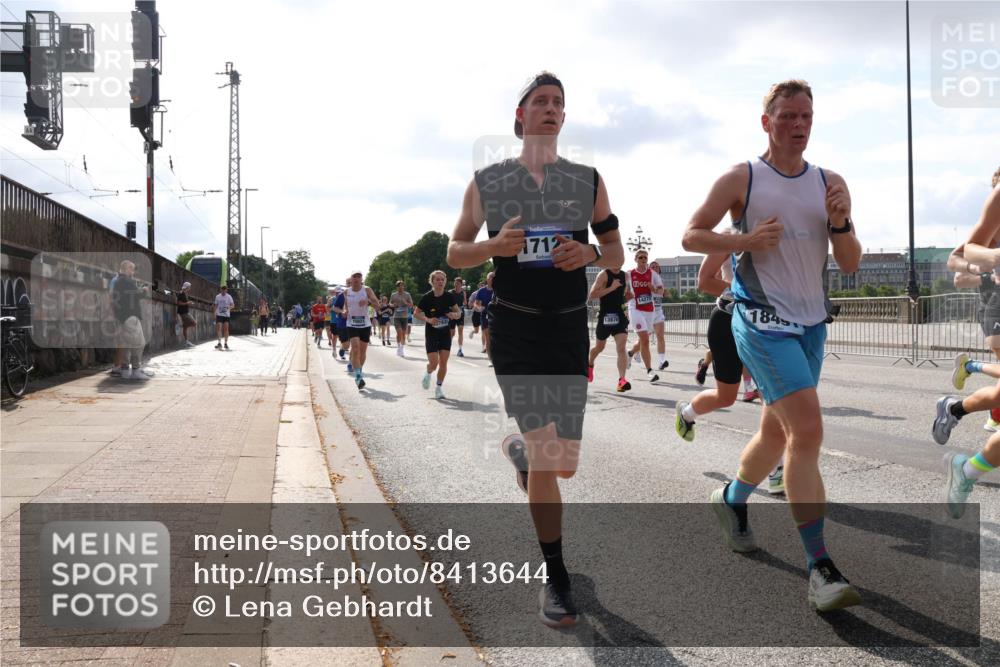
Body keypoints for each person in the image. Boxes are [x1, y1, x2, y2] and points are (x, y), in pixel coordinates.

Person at [447, 71, 624, 627]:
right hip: (517, 333)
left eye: (558, 103)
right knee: (550, 458)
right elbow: (455, 251)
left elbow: (616, 251)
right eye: (539, 102)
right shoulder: (488, 182)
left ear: (564, 118)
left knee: (561, 465)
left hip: (568, 329)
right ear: (520, 117)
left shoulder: (588, 180)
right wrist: (493, 247)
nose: (550, 109)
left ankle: (525, 457)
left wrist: (590, 256)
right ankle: (556, 576)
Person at [682, 79, 863, 611]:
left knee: (775, 432)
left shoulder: (829, 181)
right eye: (787, 116)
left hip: (810, 324)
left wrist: (842, 222)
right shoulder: (743, 178)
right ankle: (821, 569)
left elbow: (850, 262)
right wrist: (742, 241)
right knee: (807, 432)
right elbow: (691, 235)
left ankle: (731, 499)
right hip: (760, 320)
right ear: (767, 122)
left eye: (806, 116)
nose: (799, 125)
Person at [674, 240, 772, 490]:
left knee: (769, 393)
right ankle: (687, 413)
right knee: (726, 397)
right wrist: (745, 292)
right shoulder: (731, 236)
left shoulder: (781, 231)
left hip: (763, 324)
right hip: (727, 319)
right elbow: (705, 281)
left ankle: (777, 468)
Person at [932, 167, 1000, 517]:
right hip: (996, 306)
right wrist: (992, 264)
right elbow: (958, 260)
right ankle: (967, 468)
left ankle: (966, 462)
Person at [416, 270, 462, 399]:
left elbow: (458, 313)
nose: (440, 282)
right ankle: (428, 371)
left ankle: (439, 388)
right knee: (434, 363)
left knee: (443, 362)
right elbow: (416, 313)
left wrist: (454, 315)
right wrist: (428, 320)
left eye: (442, 279)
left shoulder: (449, 296)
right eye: (438, 279)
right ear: (432, 282)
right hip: (431, 333)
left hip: (445, 333)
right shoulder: (427, 297)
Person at [587, 266, 632, 391]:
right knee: (599, 347)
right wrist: (611, 287)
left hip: (619, 316)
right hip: (605, 316)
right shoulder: (604, 274)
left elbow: (626, 295)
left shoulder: (625, 276)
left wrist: (629, 296)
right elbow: (592, 295)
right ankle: (590, 364)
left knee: (621, 348)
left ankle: (621, 381)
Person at [626, 249, 664, 383]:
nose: (643, 260)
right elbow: (624, 293)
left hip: (649, 309)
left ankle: (630, 353)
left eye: (645, 258)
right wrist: (626, 296)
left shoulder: (652, 274)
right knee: (645, 339)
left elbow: (661, 291)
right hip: (635, 308)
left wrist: (653, 289)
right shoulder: (629, 274)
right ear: (636, 259)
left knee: (644, 339)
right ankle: (650, 371)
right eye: (641, 257)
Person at [111, 259, 150, 380]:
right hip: (130, 317)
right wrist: (144, 290)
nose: (133, 271)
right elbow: (137, 295)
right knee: (139, 343)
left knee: (127, 344)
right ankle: (136, 370)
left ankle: (124, 369)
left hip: (122, 317)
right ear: (126, 269)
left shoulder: (117, 281)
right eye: (131, 269)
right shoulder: (127, 281)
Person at [343, 271, 379, 390]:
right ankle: (358, 376)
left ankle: (359, 370)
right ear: (351, 279)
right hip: (351, 323)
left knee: (362, 352)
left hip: (365, 324)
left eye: (359, 276)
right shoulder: (346, 292)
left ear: (361, 279)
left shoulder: (367, 290)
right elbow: (345, 307)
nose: (357, 279)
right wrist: (344, 312)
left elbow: (377, 304)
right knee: (355, 348)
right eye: (355, 276)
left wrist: (368, 302)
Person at [648, 260, 670, 371]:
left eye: (656, 266)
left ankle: (662, 362)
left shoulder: (661, 280)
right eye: (652, 266)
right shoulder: (646, 278)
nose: (655, 267)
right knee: (644, 339)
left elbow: (663, 293)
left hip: (658, 311)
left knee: (660, 336)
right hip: (647, 312)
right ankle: (633, 352)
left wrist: (663, 291)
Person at [389, 281, 413, 357]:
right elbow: (390, 303)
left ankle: (402, 348)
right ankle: (399, 346)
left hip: (405, 316)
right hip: (396, 316)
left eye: (402, 286)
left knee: (403, 333)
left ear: (404, 287)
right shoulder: (393, 295)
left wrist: (406, 303)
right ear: (397, 287)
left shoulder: (407, 294)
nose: (401, 287)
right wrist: (393, 305)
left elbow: (411, 305)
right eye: (399, 286)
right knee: (399, 332)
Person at [473, 272, 495, 358]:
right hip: (485, 315)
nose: (493, 279)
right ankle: (490, 358)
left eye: (494, 277)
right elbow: (476, 303)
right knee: (488, 337)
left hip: (496, 316)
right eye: (491, 277)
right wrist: (478, 307)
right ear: (487, 279)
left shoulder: (498, 290)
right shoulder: (481, 291)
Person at [449, 276, 468, 357]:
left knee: (460, 330)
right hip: (452, 314)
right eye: (455, 283)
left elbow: (465, 303)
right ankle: (447, 347)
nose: (456, 285)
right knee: (452, 333)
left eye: (457, 283)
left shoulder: (463, 293)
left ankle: (460, 349)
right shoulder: (450, 292)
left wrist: (463, 303)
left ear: (461, 284)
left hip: (460, 313)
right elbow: (447, 303)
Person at [214, 284, 235, 350]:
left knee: (226, 329)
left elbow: (233, 305)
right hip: (219, 314)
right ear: (220, 290)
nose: (223, 291)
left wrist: (229, 307)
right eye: (222, 289)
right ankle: (219, 342)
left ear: (226, 290)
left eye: (224, 290)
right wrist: (214, 312)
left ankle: (225, 343)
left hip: (226, 315)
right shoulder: (217, 296)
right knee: (219, 327)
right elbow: (216, 305)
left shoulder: (229, 297)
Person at [176, 281, 196, 348]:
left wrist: (188, 303)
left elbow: (184, 302)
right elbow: (178, 303)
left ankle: (186, 341)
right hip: (183, 312)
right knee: (194, 323)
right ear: (187, 287)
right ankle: (181, 325)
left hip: (186, 312)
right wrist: (187, 303)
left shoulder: (185, 293)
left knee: (186, 327)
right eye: (189, 287)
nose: (190, 288)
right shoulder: (181, 293)